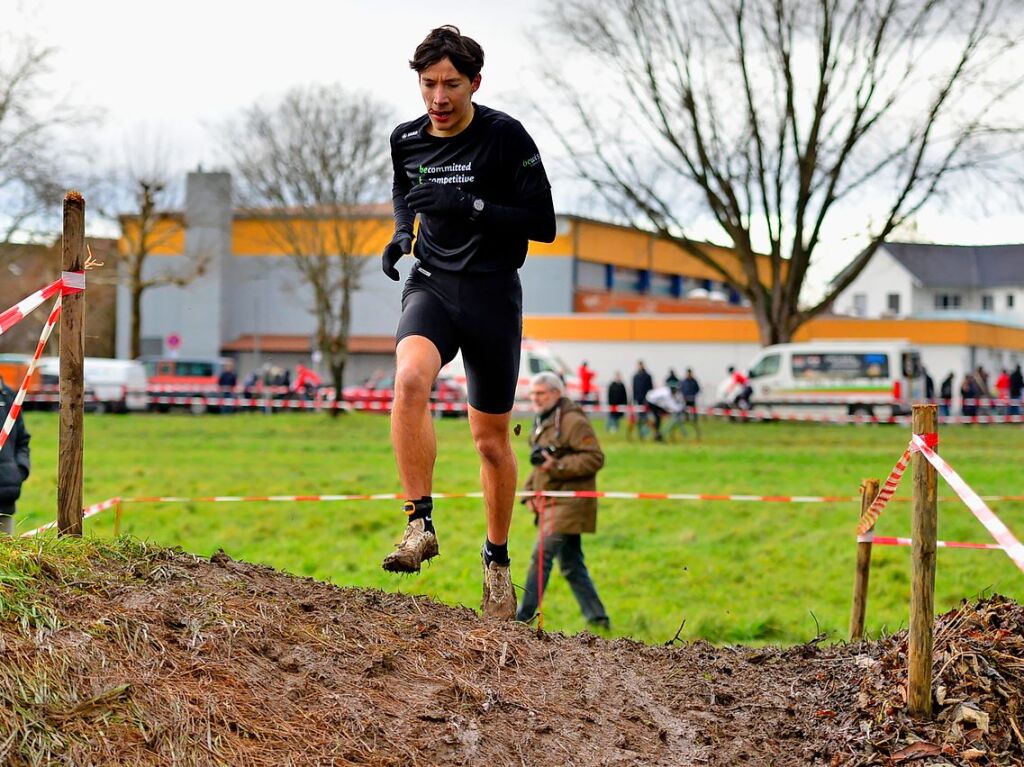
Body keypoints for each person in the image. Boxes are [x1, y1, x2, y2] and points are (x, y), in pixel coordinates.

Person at [379, 25, 556, 621]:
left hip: (492, 296)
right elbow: (407, 192)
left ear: (474, 82)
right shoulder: (406, 139)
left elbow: (544, 221)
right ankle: (419, 524)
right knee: (408, 381)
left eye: (451, 84)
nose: (438, 97)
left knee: (488, 441)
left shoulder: (506, 137)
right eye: (428, 84)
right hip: (433, 284)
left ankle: (497, 561)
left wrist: (472, 206)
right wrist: (403, 234)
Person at [516, 372, 609, 630]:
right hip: (551, 501)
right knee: (571, 565)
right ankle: (599, 619)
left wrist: (557, 465)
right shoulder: (543, 419)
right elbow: (538, 465)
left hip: (570, 502)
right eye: (533, 393)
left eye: (541, 393)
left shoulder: (572, 421)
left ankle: (521, 620)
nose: (535, 398)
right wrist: (528, 494)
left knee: (541, 555)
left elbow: (594, 458)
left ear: (557, 393)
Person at [0, 377, 31, 536]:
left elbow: (22, 440)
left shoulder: (10, 397)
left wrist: (19, 470)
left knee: (7, 558)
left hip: (5, 500)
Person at [630, 361, 654, 440]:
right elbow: (634, 388)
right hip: (638, 400)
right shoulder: (635, 376)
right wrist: (634, 399)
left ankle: (645, 432)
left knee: (647, 418)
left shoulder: (647, 376)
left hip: (646, 400)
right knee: (640, 418)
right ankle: (641, 432)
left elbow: (650, 388)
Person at [680, 367, 701, 437]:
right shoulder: (684, 381)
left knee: (694, 410)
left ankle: (694, 420)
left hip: (692, 398)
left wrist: (694, 394)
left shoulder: (694, 381)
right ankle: (687, 419)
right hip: (686, 399)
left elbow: (698, 389)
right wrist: (684, 395)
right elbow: (681, 389)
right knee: (686, 410)